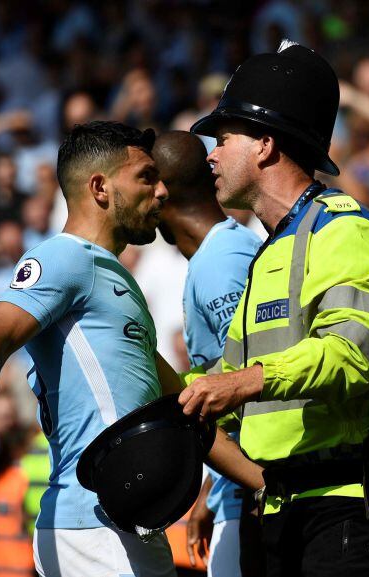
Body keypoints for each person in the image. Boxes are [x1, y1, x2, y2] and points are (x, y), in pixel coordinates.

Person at [181, 41, 369, 576]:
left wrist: (241, 383)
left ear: (266, 146)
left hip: (352, 508)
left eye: (223, 139)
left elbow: (353, 354)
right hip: (286, 505)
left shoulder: (347, 230)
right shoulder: (268, 250)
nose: (211, 156)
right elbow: (228, 381)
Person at [0, 121, 179, 577]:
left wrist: (262, 481)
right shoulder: (63, 258)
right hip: (96, 527)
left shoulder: (115, 278)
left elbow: (180, 401)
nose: (162, 191)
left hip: (125, 524)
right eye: (147, 176)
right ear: (100, 187)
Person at [152, 130, 261, 577]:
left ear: (162, 191)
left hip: (253, 500)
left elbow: (257, 382)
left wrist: (250, 488)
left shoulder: (222, 262)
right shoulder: (216, 256)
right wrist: (210, 491)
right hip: (235, 494)